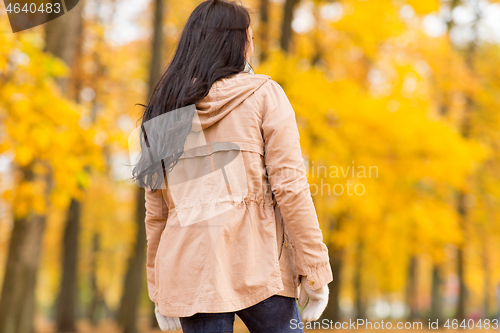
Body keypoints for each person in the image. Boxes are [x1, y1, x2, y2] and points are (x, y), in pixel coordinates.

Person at [132, 0, 333, 331]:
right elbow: (290, 187)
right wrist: (314, 268)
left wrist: (160, 290)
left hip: (189, 273)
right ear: (238, 42)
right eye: (249, 35)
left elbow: (157, 216)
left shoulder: (163, 114)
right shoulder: (265, 95)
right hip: (260, 266)